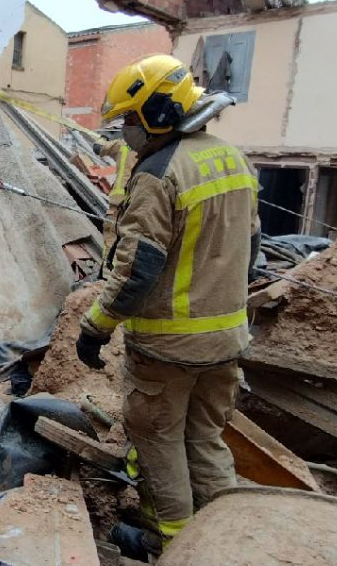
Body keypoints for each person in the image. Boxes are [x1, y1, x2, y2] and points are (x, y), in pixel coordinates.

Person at [74, 55, 258, 559]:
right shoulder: (233, 158)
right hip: (227, 340)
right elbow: (251, 248)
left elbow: (137, 270)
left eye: (130, 120)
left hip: (168, 347)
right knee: (205, 440)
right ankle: (223, 544)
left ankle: (169, 545)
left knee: (158, 443)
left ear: (157, 113)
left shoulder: (159, 173)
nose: (126, 132)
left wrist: (95, 327)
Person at [94, 134, 138, 250]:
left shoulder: (122, 144)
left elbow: (98, 147)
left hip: (118, 201)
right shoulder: (155, 148)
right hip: (138, 201)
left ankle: (108, 261)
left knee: (111, 237)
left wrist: (104, 138)